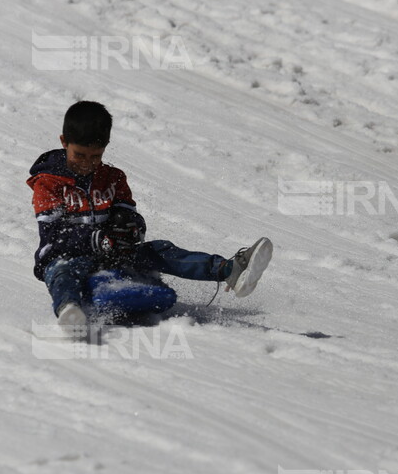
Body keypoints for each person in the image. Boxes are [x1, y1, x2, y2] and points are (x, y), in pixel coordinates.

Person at [27, 100, 273, 328]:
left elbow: (129, 214)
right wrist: (96, 239)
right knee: (62, 271)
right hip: (67, 256)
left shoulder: (113, 178)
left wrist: (131, 228)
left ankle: (230, 271)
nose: (87, 163)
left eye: (96, 156)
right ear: (63, 142)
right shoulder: (48, 183)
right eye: (79, 155)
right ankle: (69, 310)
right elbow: (53, 235)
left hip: (112, 254)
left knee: (160, 250)